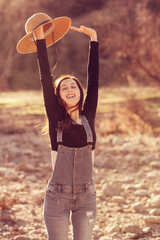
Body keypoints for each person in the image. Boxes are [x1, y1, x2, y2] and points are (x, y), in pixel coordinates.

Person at [18, 13, 99, 240]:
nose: (70, 88)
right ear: (59, 96)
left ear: (80, 92)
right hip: (57, 197)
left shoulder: (88, 116)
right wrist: (41, 40)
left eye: (74, 85)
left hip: (86, 196)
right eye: (64, 87)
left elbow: (94, 80)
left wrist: (94, 40)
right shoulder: (55, 119)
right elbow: (45, 76)